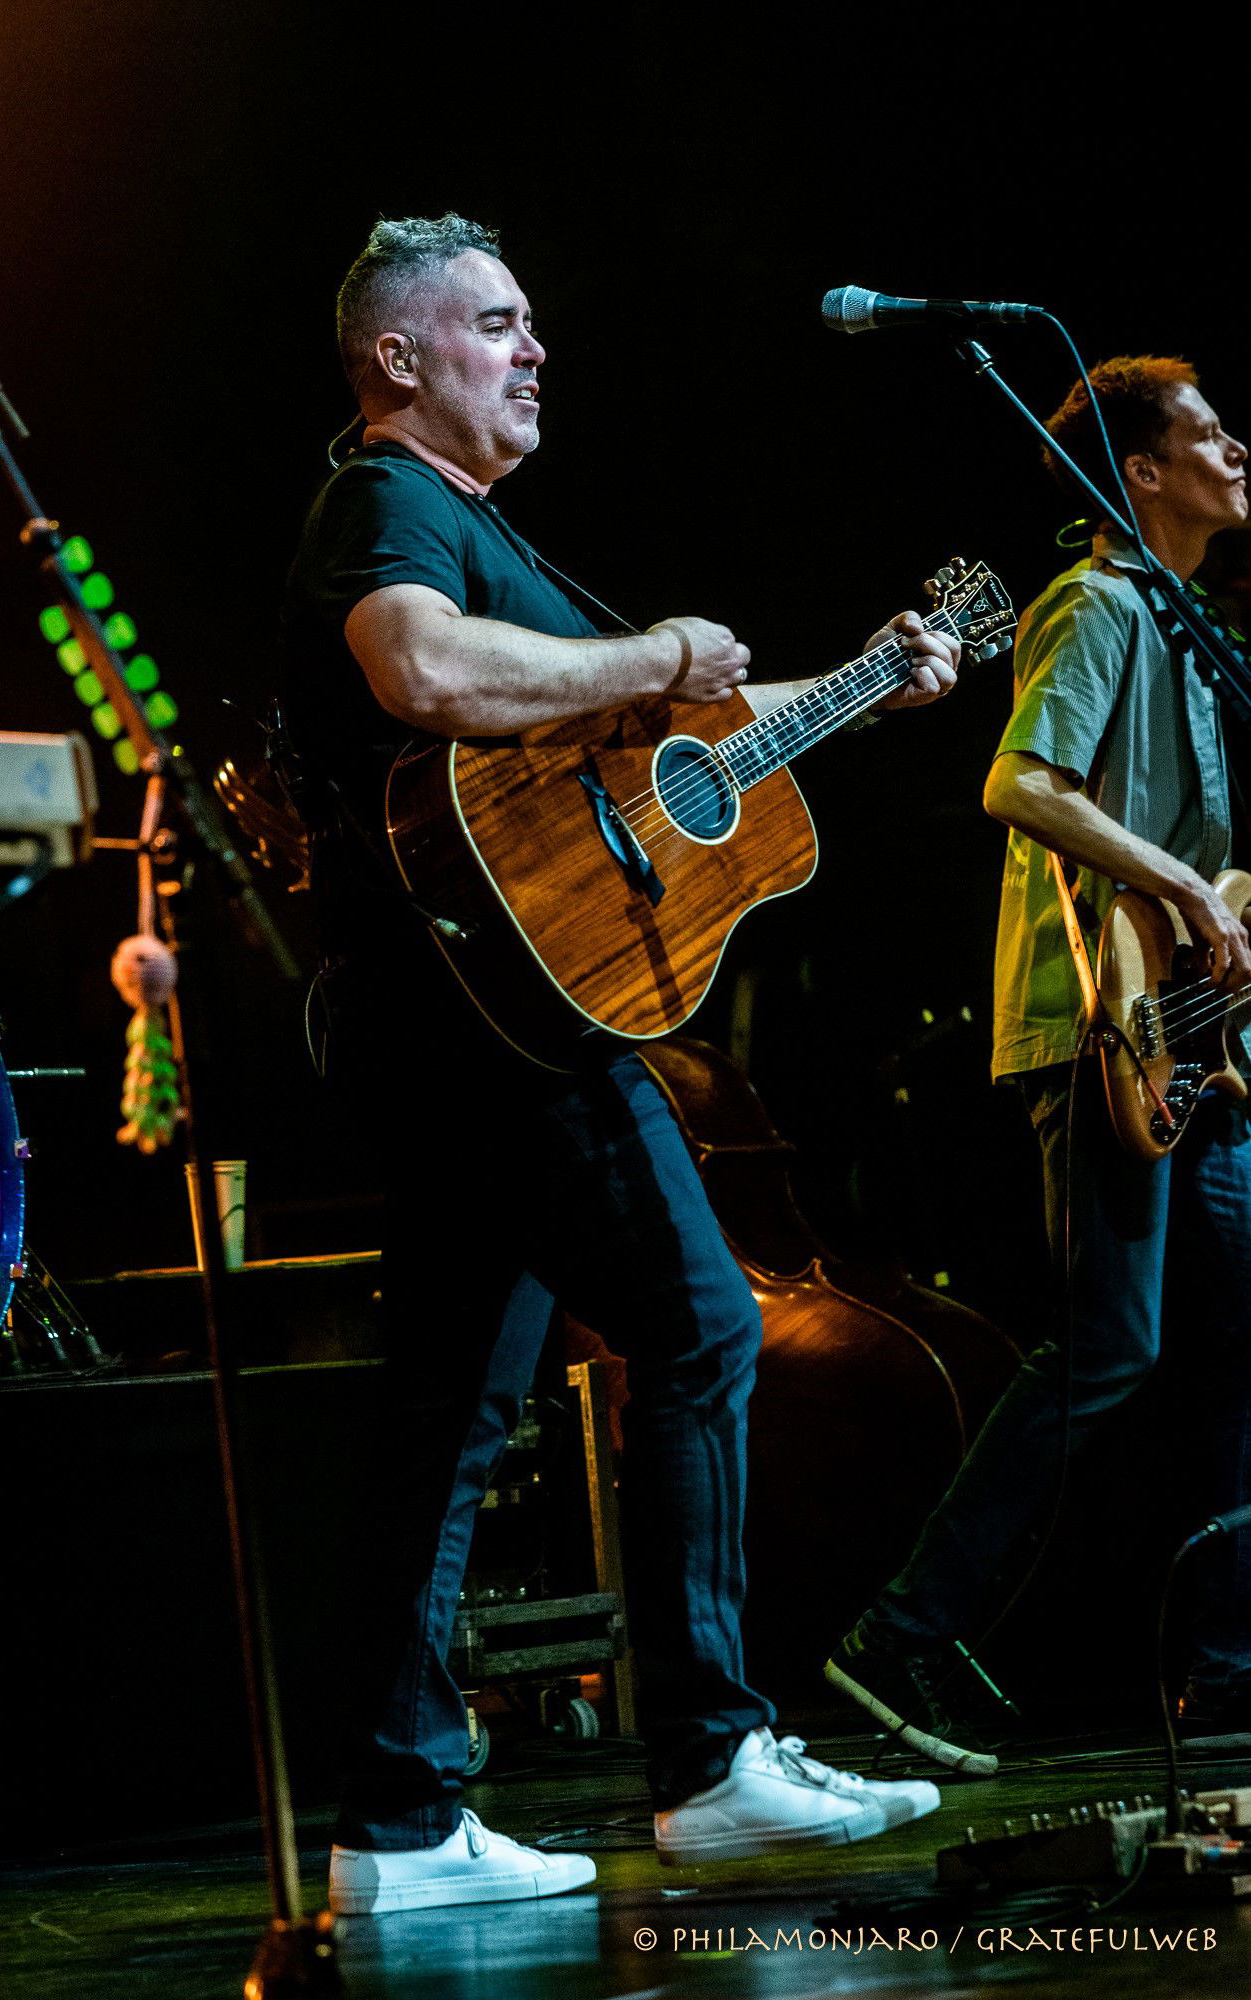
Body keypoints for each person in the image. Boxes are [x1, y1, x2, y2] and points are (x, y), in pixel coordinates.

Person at [281, 213, 961, 1915]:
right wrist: (660, 653)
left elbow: (641, 736)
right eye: (496, 323)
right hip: (490, 1027)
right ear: (397, 358)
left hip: (472, 1020)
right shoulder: (389, 505)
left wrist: (855, 688)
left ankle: (397, 1827)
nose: (532, 350)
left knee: (447, 1412)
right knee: (703, 1323)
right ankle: (714, 1761)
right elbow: (420, 667)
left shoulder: (481, 530)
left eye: (530, 322)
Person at [827, 355, 1251, 1771]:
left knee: (1233, 1339)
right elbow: (1017, 780)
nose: (1236, 450)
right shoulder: (1095, 600)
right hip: (1099, 1026)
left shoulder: (1188, 623)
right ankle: (899, 1637)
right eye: (1206, 435)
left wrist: (1211, 907)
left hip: (1195, 1042)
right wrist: (1181, 890)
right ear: (1140, 473)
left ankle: (1226, 1668)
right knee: (1109, 1346)